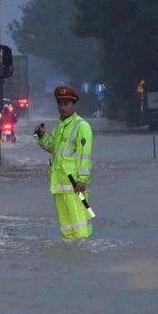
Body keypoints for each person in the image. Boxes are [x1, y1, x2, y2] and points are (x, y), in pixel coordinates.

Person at [34, 85, 93, 239]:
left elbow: (84, 155)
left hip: (74, 186)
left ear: (74, 105)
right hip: (59, 185)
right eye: (60, 104)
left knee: (80, 230)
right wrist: (40, 136)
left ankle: (84, 258)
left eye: (66, 104)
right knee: (66, 231)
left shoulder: (82, 126)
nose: (63, 108)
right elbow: (51, 147)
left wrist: (82, 180)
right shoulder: (60, 126)